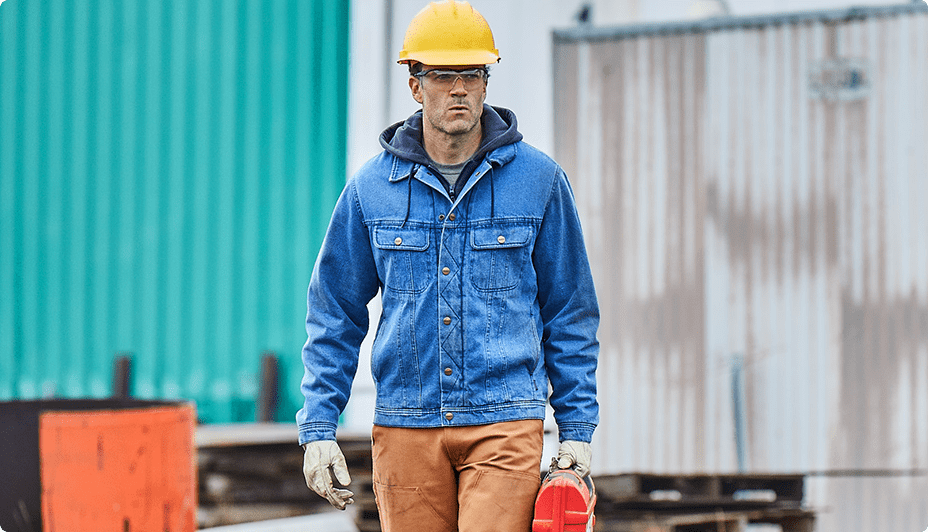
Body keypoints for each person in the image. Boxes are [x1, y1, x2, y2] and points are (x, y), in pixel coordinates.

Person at [297, 1, 599, 530]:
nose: (459, 89)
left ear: (486, 82)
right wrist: (319, 427)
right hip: (407, 424)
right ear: (416, 85)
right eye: (442, 76)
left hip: (504, 423)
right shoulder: (371, 190)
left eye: (472, 74)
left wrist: (576, 430)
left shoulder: (540, 182)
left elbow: (570, 310)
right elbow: (334, 311)